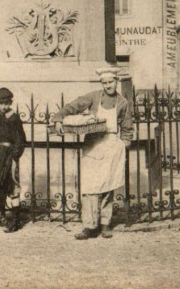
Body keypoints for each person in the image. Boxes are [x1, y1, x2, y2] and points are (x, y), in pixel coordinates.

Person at [53, 67, 132, 239]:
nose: (108, 85)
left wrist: (123, 144)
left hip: (111, 145)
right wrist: (59, 118)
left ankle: (105, 224)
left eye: (110, 82)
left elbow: (127, 128)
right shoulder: (94, 97)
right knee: (90, 187)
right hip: (93, 145)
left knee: (107, 187)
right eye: (104, 83)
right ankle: (89, 226)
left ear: (116, 82)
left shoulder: (123, 103)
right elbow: (73, 106)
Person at [0, 87, 26, 233]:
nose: (4, 106)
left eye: (7, 103)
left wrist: (14, 156)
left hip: (9, 156)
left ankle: (15, 220)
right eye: (1, 103)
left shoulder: (14, 118)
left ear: (10, 103)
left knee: (11, 186)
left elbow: (20, 140)